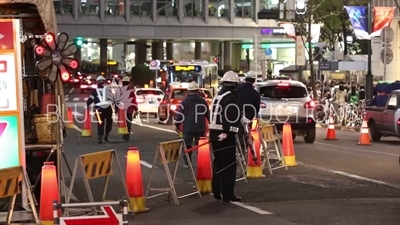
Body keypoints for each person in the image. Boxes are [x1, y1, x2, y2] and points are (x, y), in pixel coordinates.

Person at [209, 70, 242, 202]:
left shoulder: (218, 95)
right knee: (229, 165)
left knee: (218, 163)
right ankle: (228, 194)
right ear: (234, 85)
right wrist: (236, 132)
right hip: (225, 135)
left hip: (214, 134)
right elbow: (230, 118)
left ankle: (217, 191)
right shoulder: (231, 98)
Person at [175, 81, 210, 168]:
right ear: (197, 91)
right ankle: (202, 162)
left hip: (188, 128)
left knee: (187, 146)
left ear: (188, 91)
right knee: (201, 146)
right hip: (200, 127)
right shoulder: (202, 101)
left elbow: (179, 115)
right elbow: (208, 114)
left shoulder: (185, 102)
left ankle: (187, 162)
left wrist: (177, 124)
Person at [236, 70, 260, 153]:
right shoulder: (255, 94)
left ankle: (239, 150)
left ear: (246, 78)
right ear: (254, 81)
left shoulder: (238, 89)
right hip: (248, 117)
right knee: (246, 134)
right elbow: (256, 108)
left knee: (237, 134)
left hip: (236, 116)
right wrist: (250, 116)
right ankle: (246, 150)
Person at [86, 75, 113, 143]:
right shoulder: (108, 89)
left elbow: (90, 100)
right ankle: (106, 136)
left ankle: (100, 137)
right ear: (104, 82)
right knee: (109, 122)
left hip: (98, 109)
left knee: (100, 123)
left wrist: (87, 105)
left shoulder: (95, 91)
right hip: (107, 109)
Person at [121, 76, 138, 141]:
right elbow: (134, 100)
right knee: (129, 122)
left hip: (122, 110)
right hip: (129, 109)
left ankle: (124, 134)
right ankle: (127, 135)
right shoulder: (131, 91)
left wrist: (116, 109)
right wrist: (136, 109)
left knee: (123, 122)